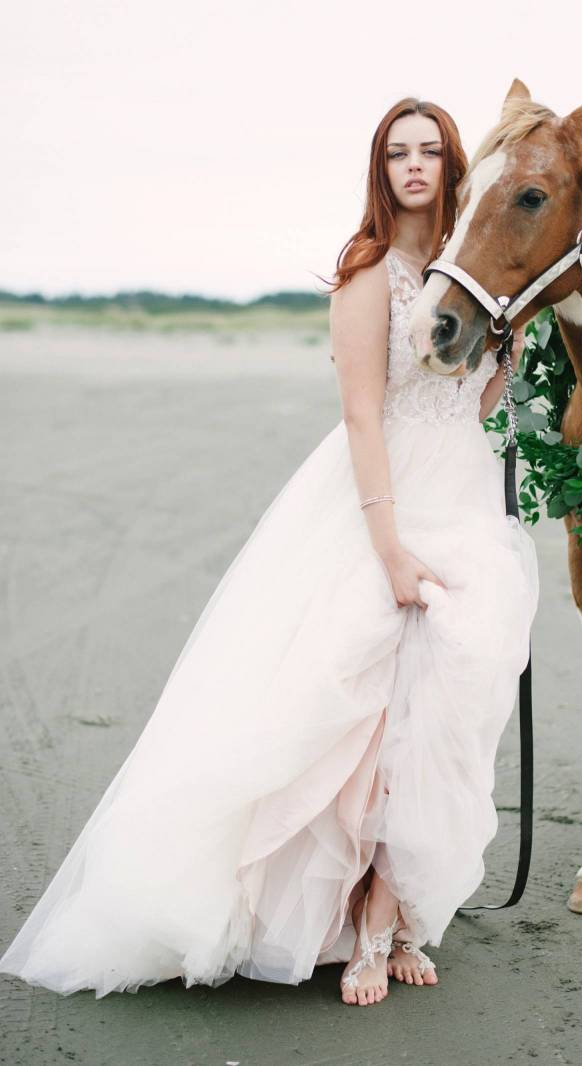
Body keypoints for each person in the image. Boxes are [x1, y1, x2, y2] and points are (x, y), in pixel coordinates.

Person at [0, 97, 539, 1010]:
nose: (415, 167)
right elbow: (364, 415)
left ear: (453, 166)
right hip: (385, 505)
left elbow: (467, 412)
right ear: (382, 170)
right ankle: (362, 921)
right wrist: (390, 550)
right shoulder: (368, 275)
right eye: (398, 153)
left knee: (443, 712)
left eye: (430, 152)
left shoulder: (461, 277)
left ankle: (396, 903)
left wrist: (505, 368)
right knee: (365, 713)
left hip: (463, 497)